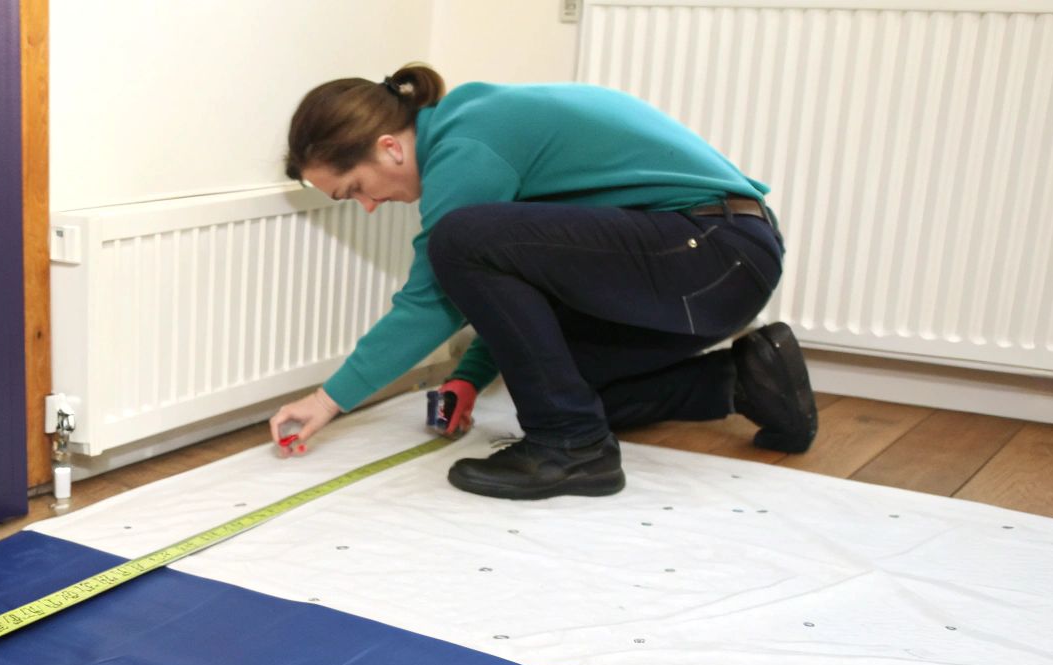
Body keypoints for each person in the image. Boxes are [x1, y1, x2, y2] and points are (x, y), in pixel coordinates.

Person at [269, 64, 816, 499]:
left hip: (712, 256)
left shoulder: (469, 143)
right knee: (563, 382)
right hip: (718, 266)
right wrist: (469, 376)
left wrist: (327, 399)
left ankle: (570, 447)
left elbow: (433, 297)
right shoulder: (476, 128)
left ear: (389, 147)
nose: (367, 207)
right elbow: (518, 298)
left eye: (355, 189)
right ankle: (747, 379)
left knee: (455, 240)